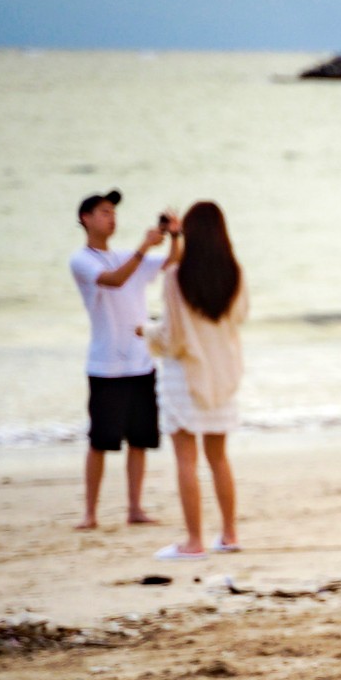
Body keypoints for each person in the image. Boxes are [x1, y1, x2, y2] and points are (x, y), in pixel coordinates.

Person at [143, 201, 248, 560]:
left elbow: (171, 337)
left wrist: (146, 331)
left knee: (186, 459)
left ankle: (193, 541)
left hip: (184, 376)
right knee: (218, 457)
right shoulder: (235, 273)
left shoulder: (176, 277)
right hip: (221, 374)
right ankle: (230, 534)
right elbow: (240, 316)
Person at [69, 189, 166, 529]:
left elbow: (173, 261)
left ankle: (135, 508)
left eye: (113, 212)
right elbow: (114, 280)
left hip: (140, 361)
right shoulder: (82, 260)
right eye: (104, 212)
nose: (111, 217)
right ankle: (90, 513)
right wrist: (144, 247)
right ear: (86, 218)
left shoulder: (128, 256)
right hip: (105, 365)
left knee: (139, 440)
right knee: (100, 442)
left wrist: (175, 234)